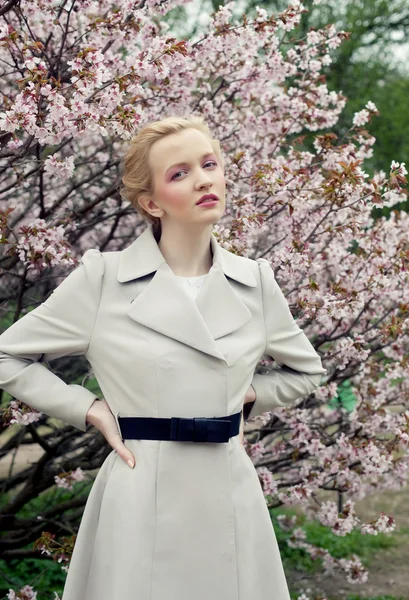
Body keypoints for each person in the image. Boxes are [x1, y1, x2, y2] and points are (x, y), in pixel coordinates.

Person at [0, 114, 327, 600]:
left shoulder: (256, 281)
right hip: (139, 489)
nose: (203, 179)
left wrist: (247, 394)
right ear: (151, 202)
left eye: (209, 164)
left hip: (228, 491)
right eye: (179, 173)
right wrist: (87, 409)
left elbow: (307, 370)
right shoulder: (104, 280)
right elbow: (8, 355)